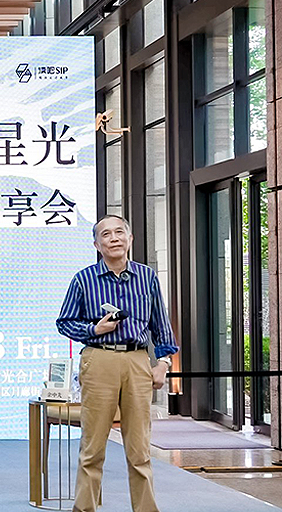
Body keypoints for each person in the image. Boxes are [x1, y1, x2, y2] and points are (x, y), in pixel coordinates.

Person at [56, 215, 178, 512]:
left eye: (119, 232)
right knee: (93, 446)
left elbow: (161, 325)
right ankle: (85, 509)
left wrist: (163, 363)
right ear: (97, 244)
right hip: (99, 359)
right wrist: (94, 329)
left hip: (137, 360)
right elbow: (64, 322)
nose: (114, 238)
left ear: (130, 238)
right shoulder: (83, 279)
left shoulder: (147, 277)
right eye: (106, 234)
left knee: (139, 447)